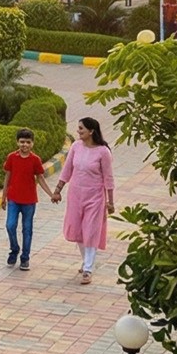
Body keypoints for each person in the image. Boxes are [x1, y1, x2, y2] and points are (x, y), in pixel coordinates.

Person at [50, 117, 115, 284]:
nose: (78, 131)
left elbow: (108, 178)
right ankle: (86, 259)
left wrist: (111, 202)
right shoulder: (76, 147)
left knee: (91, 230)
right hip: (76, 195)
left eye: (81, 129)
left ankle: (88, 269)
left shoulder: (103, 152)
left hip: (95, 197)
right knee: (78, 230)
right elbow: (67, 170)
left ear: (91, 131)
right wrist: (57, 190)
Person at [0, 128, 45, 271]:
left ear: (32, 144)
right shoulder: (12, 158)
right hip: (13, 199)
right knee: (10, 225)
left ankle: (25, 257)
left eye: (27, 142)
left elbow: (41, 178)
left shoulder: (35, 160)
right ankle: (14, 249)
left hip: (29, 201)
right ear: (17, 142)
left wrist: (52, 194)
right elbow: (7, 177)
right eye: (22, 142)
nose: (24, 145)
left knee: (27, 229)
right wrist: (3, 196)